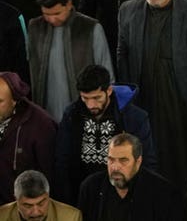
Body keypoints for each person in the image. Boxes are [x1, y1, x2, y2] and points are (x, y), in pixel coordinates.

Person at [115, 0, 187, 189]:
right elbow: (122, 54)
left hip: (180, 101)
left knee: (181, 158)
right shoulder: (128, 10)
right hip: (142, 98)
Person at [54, 64, 155, 207]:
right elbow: (62, 160)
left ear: (108, 90)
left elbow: (147, 161)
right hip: (81, 195)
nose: (90, 105)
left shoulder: (133, 117)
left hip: (121, 193)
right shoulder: (72, 115)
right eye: (85, 98)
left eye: (96, 98)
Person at [27, 0, 112, 120]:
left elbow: (107, 72)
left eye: (57, 13)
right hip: (45, 114)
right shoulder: (35, 28)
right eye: (46, 14)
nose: (52, 19)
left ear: (69, 4)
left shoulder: (90, 28)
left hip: (85, 111)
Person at [76, 133, 179, 219]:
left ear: (138, 161)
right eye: (111, 160)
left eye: (123, 160)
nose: (115, 167)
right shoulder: (91, 187)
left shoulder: (163, 192)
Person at [0, 72, 56, 205]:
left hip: (25, 209)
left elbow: (51, 176)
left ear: (15, 100)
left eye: (0, 101)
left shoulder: (42, 125)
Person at [0, 170, 81, 221]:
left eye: (41, 204)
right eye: (28, 206)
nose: (36, 213)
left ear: (48, 196)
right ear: (16, 199)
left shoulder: (71, 217)